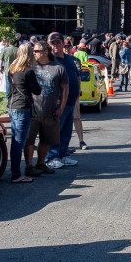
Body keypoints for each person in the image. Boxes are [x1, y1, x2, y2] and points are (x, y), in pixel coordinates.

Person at [5, 42, 43, 182]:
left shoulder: (12, 68)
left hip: (12, 105)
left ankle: (16, 171)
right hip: (22, 107)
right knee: (19, 142)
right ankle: (16, 174)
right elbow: (37, 90)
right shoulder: (28, 71)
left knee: (15, 140)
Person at [29, 40, 68, 175]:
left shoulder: (58, 68)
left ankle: (40, 164)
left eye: (36, 51)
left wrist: (61, 108)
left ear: (45, 52)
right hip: (32, 111)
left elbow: (65, 90)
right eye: (33, 51)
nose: (33, 53)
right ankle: (29, 167)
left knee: (46, 140)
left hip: (50, 111)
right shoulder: (30, 67)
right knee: (29, 140)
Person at [46, 33, 81, 169]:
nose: (56, 45)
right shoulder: (50, 60)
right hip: (58, 101)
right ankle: (52, 157)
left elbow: (76, 75)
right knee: (56, 130)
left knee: (66, 130)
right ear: (49, 45)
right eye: (53, 43)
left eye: (58, 42)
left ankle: (63, 154)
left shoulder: (69, 59)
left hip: (71, 100)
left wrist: (77, 93)